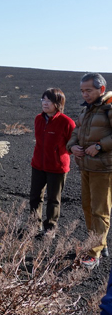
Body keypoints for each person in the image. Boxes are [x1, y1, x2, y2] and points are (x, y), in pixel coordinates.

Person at [67, 73, 112, 269]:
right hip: (85, 166)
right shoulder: (86, 111)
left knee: (99, 211)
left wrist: (101, 146)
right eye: (82, 91)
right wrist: (72, 146)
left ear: (101, 90)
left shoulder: (109, 107)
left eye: (89, 90)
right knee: (87, 207)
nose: (85, 94)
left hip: (104, 169)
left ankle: (94, 253)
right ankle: (98, 244)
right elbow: (77, 131)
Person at [29, 88, 75, 236]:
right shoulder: (38, 119)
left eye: (49, 100)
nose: (45, 103)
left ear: (58, 103)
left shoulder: (66, 122)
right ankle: (34, 226)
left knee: (54, 199)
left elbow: (72, 144)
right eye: (43, 100)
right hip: (38, 165)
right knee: (35, 197)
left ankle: (50, 228)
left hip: (57, 168)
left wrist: (58, 155)